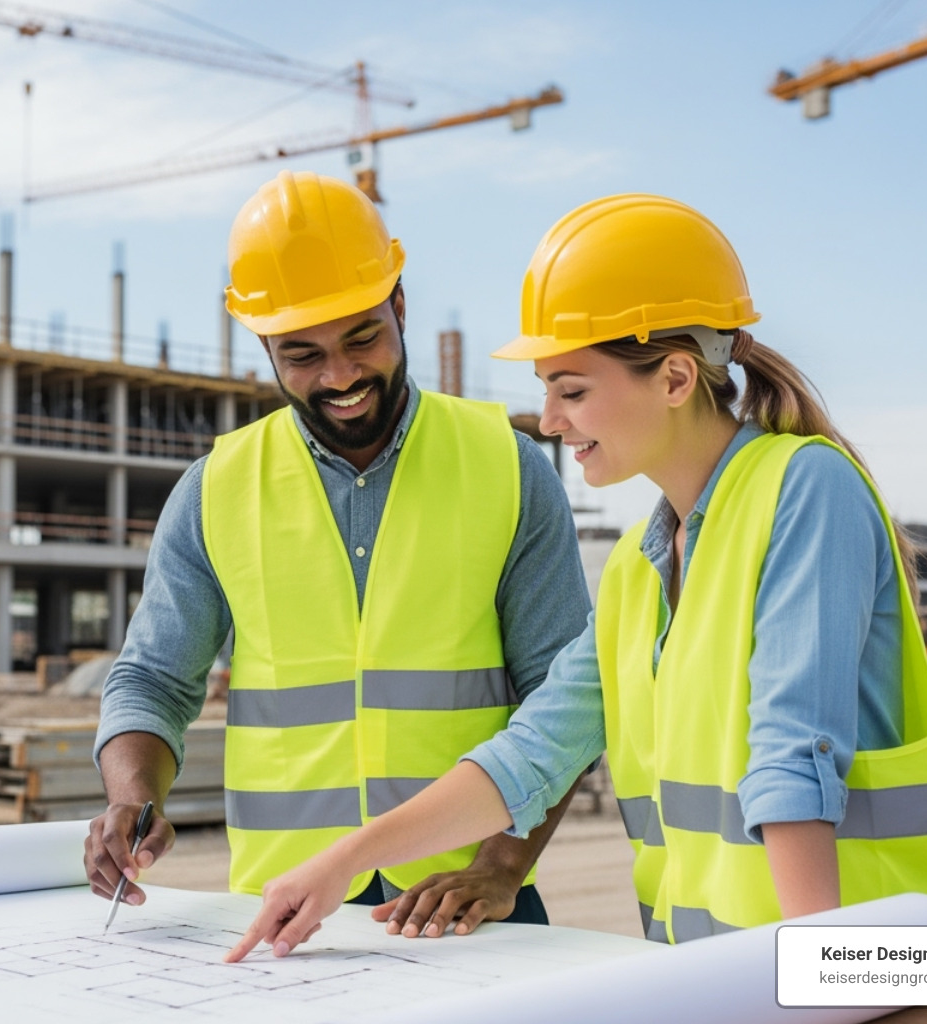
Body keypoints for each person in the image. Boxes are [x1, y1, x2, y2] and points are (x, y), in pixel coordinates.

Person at [226, 193, 927, 960]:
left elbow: (794, 760)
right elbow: (530, 755)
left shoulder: (807, 489)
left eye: (572, 390)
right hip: (727, 977)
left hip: (874, 977)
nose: (549, 420)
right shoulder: (637, 570)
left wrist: (818, 987)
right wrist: (341, 864)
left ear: (677, 378)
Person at [87, 170, 594, 936]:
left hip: (468, 902)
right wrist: (133, 794)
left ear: (399, 304)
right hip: (282, 909)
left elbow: (565, 703)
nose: (341, 376)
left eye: (362, 338)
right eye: (302, 354)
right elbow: (153, 679)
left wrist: (500, 868)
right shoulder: (215, 489)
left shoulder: (509, 466)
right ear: (263, 345)